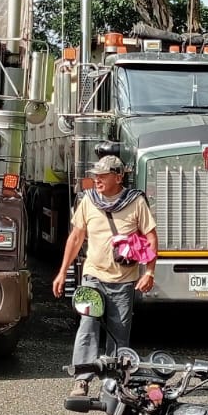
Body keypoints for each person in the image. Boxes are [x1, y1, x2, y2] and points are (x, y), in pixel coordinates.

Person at [52, 154, 158, 395]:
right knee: (87, 326)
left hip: (123, 280)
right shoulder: (88, 200)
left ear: (118, 177)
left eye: (103, 175)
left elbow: (151, 237)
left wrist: (150, 271)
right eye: (95, 175)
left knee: (119, 333)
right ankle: (82, 378)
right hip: (93, 275)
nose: (96, 179)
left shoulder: (136, 202)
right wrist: (62, 272)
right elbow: (76, 237)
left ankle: (115, 382)